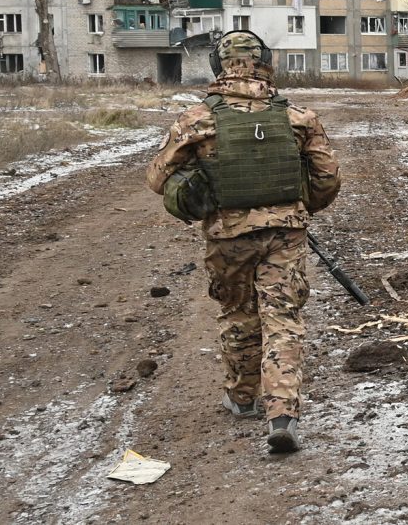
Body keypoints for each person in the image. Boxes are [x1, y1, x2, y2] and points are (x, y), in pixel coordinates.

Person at [146, 30, 341, 453]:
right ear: (267, 62)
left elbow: (157, 179)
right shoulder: (299, 117)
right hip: (285, 233)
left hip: (227, 236)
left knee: (238, 313)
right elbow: (327, 181)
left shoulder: (196, 119)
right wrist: (296, 203)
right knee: (282, 318)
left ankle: (242, 398)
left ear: (218, 66)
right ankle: (282, 414)